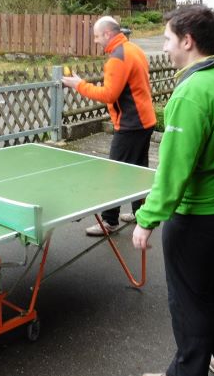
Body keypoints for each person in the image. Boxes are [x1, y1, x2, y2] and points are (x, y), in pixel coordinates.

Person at [132, 5, 214, 376]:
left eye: (167, 39)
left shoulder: (190, 93)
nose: (164, 47)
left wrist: (147, 218)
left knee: (190, 296)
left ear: (188, 41)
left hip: (203, 213)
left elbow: (174, 170)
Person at [61, 16, 156, 235]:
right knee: (138, 171)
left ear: (107, 34)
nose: (95, 41)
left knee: (114, 173)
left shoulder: (117, 59)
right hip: (145, 120)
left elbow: (109, 94)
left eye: (97, 36)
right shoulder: (133, 49)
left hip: (131, 124)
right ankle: (140, 213)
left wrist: (79, 85)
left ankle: (109, 221)